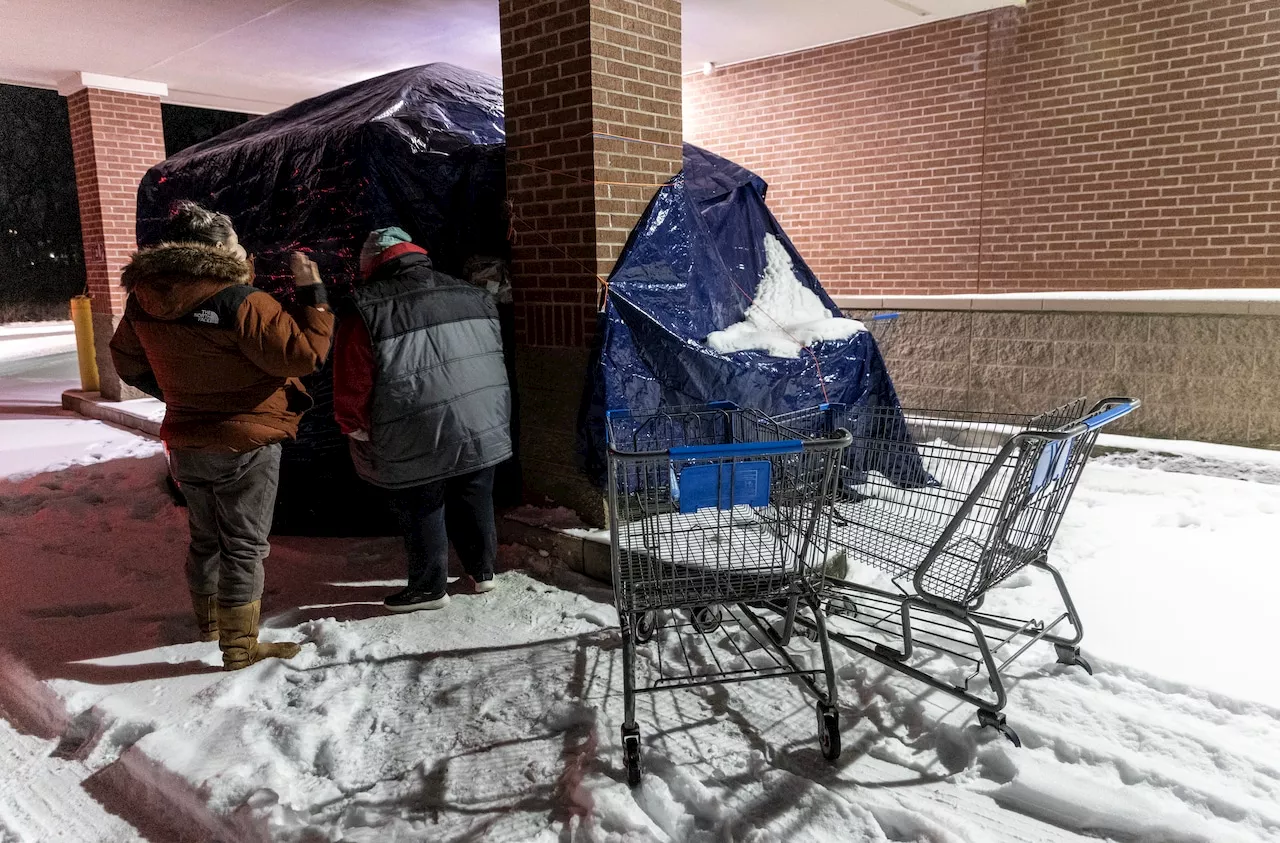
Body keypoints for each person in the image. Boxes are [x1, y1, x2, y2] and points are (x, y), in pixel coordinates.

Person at [109, 201, 334, 670]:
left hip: (187, 441)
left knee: (205, 538)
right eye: (235, 241)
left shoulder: (145, 299)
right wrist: (313, 292)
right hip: (246, 439)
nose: (244, 248)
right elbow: (304, 355)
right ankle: (239, 646)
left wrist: (179, 393)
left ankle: (210, 623)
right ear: (217, 248)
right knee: (244, 546)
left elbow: (127, 362)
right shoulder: (241, 301)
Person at [332, 227, 512, 612]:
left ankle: (429, 588)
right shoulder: (472, 294)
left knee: (421, 498)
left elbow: (353, 376)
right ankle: (483, 572)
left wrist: (353, 423)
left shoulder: (364, 307)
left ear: (371, 266)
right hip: (482, 416)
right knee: (474, 491)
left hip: (414, 421)